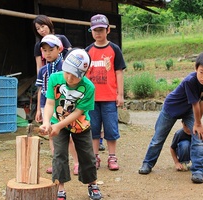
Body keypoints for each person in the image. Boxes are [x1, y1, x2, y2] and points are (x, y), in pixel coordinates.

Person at [138, 51, 203, 184]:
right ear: (196, 69)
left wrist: (198, 124)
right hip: (171, 108)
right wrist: (198, 123)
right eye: (202, 72)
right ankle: (147, 164)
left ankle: (198, 171)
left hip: (189, 111)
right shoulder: (190, 80)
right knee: (158, 138)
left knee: (198, 137)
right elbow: (195, 103)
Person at [39, 48, 102, 200]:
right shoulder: (54, 78)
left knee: (87, 155)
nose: (69, 78)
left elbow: (78, 112)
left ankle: (92, 183)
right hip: (56, 122)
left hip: (80, 125)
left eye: (75, 75)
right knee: (59, 154)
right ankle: (60, 187)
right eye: (67, 72)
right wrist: (47, 122)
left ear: (84, 74)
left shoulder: (89, 88)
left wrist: (59, 126)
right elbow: (49, 103)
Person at [85, 14, 126, 170]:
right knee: (93, 128)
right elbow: (83, 75)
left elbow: (119, 72)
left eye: (101, 30)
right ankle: (95, 157)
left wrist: (120, 94)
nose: (98, 33)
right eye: (95, 30)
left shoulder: (114, 49)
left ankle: (112, 157)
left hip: (109, 97)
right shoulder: (88, 50)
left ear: (108, 30)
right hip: (91, 99)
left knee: (111, 128)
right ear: (91, 31)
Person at [34, 34, 79, 175]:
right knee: (52, 135)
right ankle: (57, 163)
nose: (47, 53)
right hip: (46, 105)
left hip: (64, 105)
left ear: (59, 49)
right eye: (44, 50)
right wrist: (38, 110)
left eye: (50, 50)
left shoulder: (65, 66)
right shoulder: (43, 70)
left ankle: (77, 162)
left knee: (69, 136)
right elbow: (41, 90)